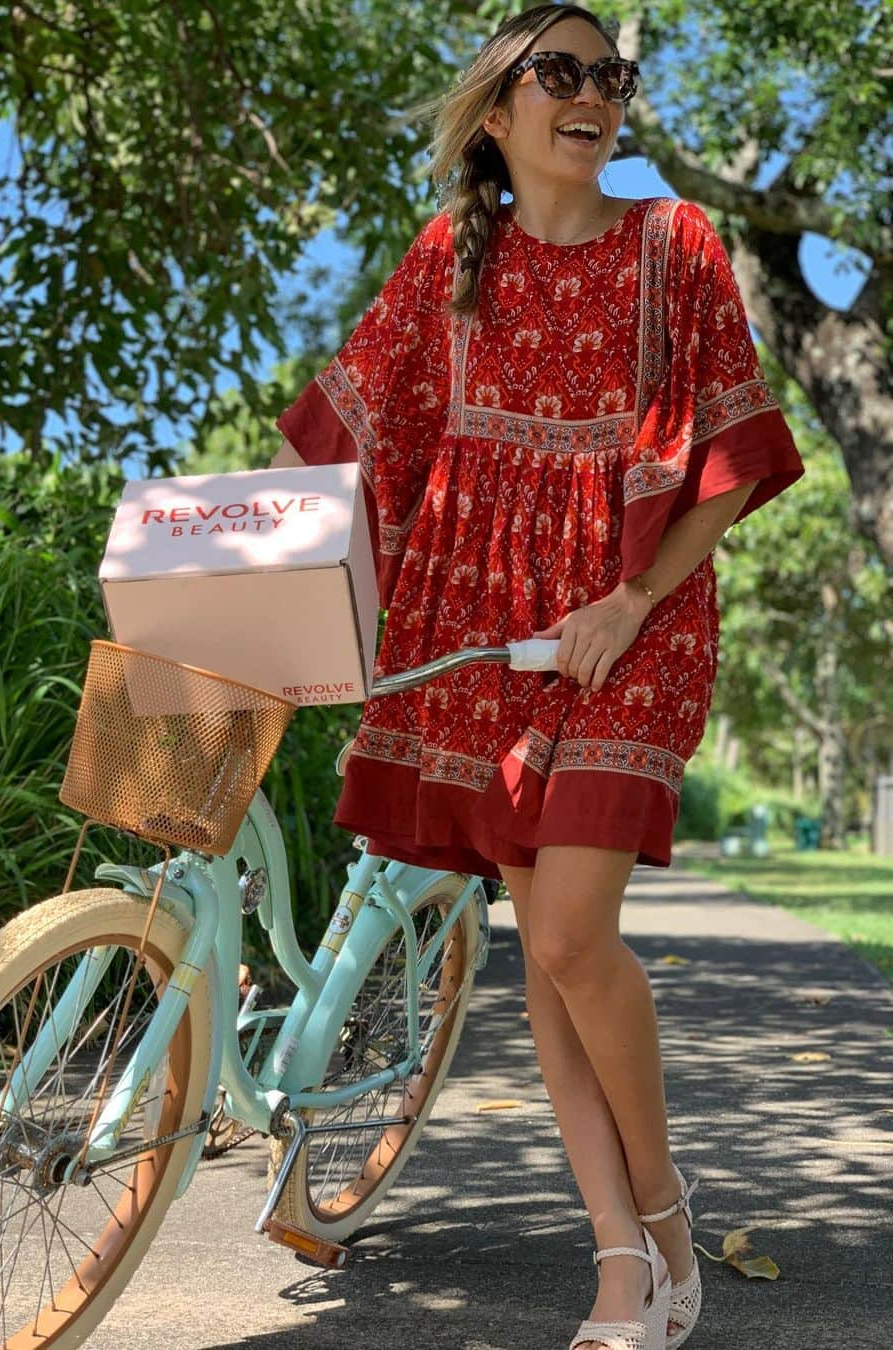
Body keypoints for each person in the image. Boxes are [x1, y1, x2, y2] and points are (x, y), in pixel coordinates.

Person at [270, 6, 805, 1348]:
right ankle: (622, 1261)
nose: (590, 93)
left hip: (635, 619)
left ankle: (666, 1211)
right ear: (498, 114)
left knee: (570, 932)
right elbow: (348, 452)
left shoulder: (674, 246)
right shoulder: (453, 252)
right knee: (548, 961)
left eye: (607, 75)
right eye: (553, 73)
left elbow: (730, 468)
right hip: (483, 632)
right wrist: (230, 567)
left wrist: (627, 601)